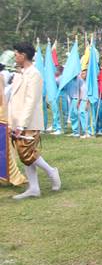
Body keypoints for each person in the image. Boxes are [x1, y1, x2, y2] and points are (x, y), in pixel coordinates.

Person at [7, 42, 61, 199]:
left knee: (26, 153)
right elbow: (13, 99)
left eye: (16, 54)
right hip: (16, 121)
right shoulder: (19, 73)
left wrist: (22, 124)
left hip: (28, 122)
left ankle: (51, 171)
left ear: (23, 55)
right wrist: (12, 122)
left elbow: (31, 101)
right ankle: (34, 187)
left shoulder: (34, 74)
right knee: (25, 155)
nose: (15, 57)